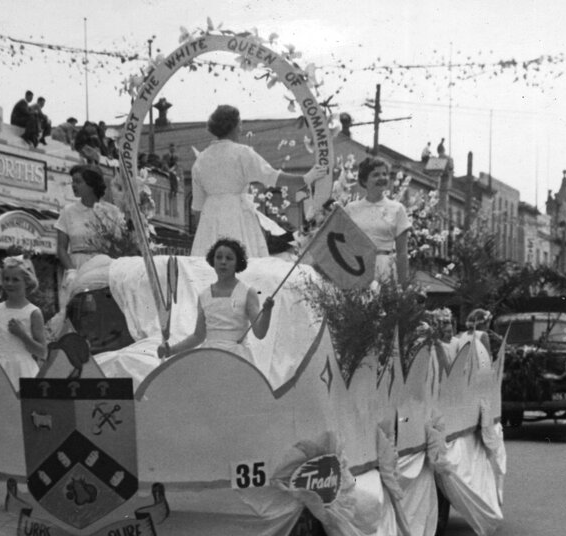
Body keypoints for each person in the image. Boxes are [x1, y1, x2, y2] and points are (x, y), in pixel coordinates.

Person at [190, 105, 325, 258]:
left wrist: (201, 234)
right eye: (239, 124)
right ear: (233, 126)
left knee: (207, 265)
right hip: (236, 215)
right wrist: (304, 179)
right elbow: (273, 177)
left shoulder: (200, 160)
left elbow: (197, 209)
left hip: (209, 219)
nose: (241, 129)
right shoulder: (242, 153)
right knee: (242, 261)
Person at [158, 238, 274, 364]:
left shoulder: (247, 292)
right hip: (210, 359)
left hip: (238, 360)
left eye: (229, 258)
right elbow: (198, 336)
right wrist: (171, 350)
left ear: (237, 263)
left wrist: (267, 312)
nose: (223, 262)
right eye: (219, 257)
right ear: (213, 260)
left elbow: (260, 333)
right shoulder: (204, 295)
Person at [55, 165, 126, 295]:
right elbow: (61, 248)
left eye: (78, 181)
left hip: (103, 267)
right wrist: (71, 270)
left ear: (92, 183)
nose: (73, 185)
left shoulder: (112, 212)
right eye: (73, 182)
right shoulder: (68, 211)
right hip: (77, 268)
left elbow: (119, 246)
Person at [343, 156, 412, 284]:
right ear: (364, 181)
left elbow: (402, 253)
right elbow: (343, 246)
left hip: (385, 268)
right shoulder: (351, 209)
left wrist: (404, 286)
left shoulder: (397, 209)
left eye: (385, 174)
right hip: (357, 268)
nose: (382, 178)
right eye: (376, 175)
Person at [0, 255, 47, 390]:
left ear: (27, 283)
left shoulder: (33, 312)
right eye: (6, 279)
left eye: (15, 280)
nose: (9, 283)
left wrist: (22, 334)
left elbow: (42, 352)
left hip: (23, 371)